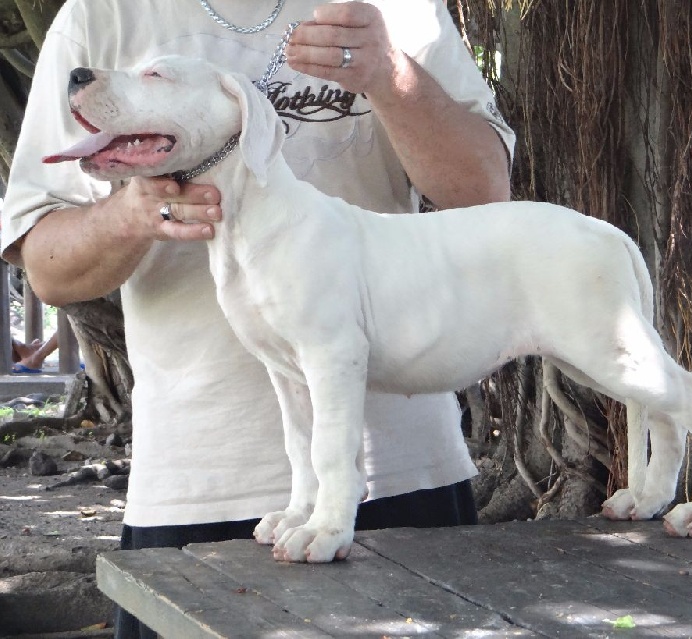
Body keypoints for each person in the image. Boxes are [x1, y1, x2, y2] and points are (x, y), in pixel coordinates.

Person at [2, 1, 514, 636]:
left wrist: (389, 73)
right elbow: (47, 269)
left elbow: (486, 193)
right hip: (194, 485)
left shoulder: (396, 7)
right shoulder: (101, 13)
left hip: (405, 477)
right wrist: (130, 215)